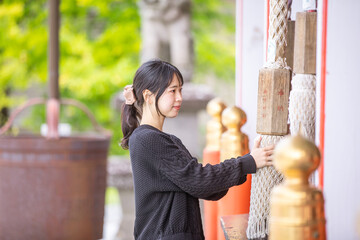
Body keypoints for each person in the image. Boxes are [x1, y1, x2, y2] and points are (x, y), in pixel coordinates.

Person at [120, 59, 274, 240]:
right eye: (172, 91)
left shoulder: (163, 140)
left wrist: (249, 161)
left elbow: (207, 189)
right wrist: (248, 162)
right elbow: (198, 179)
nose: (179, 97)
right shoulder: (148, 139)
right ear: (148, 96)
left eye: (180, 90)